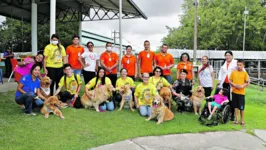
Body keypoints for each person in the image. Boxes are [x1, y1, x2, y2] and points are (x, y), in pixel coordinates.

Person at [218, 50, 238, 121]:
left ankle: (232, 115)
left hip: (232, 84)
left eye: (229, 55)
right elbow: (221, 72)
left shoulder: (235, 62)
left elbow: (242, 70)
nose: (228, 57)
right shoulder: (224, 63)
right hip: (224, 83)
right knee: (224, 98)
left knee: (232, 99)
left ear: (232, 56)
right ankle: (225, 112)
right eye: (226, 55)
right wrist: (219, 80)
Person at [229, 59, 249, 126]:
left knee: (242, 107)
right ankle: (237, 120)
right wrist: (234, 84)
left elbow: (247, 82)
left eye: (240, 65)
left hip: (241, 93)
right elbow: (230, 80)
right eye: (238, 65)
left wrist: (242, 86)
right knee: (235, 106)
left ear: (243, 65)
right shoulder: (233, 72)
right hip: (234, 92)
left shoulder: (245, 73)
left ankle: (242, 120)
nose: (239, 66)